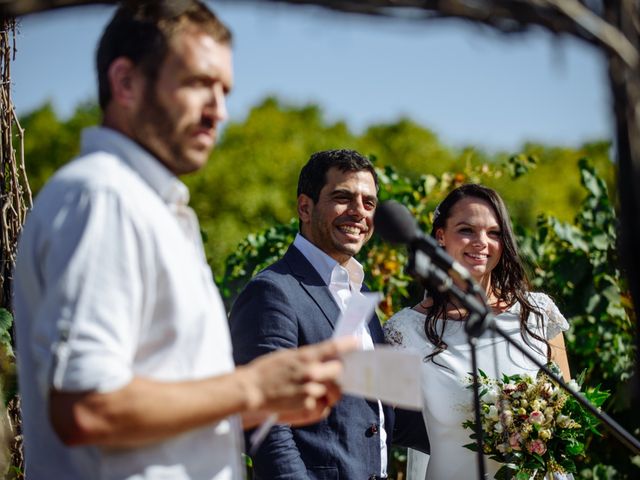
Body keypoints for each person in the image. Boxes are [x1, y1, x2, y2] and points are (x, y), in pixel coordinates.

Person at [12, 2, 355, 479]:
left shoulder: (152, 208)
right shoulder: (104, 197)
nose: (220, 111)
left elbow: (156, 413)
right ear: (126, 82)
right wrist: (251, 388)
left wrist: (267, 401)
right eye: (198, 82)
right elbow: (86, 408)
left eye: (224, 89)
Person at [230, 150, 427, 479]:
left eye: (369, 203)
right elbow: (266, 425)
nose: (358, 212)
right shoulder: (273, 291)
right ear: (305, 207)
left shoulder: (359, 292)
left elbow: (373, 413)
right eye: (343, 197)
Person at [383, 184, 571, 480]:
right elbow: (379, 428)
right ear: (440, 236)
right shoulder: (405, 331)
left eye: (494, 233)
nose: (482, 242)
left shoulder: (538, 313)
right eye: (466, 230)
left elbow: (569, 413)